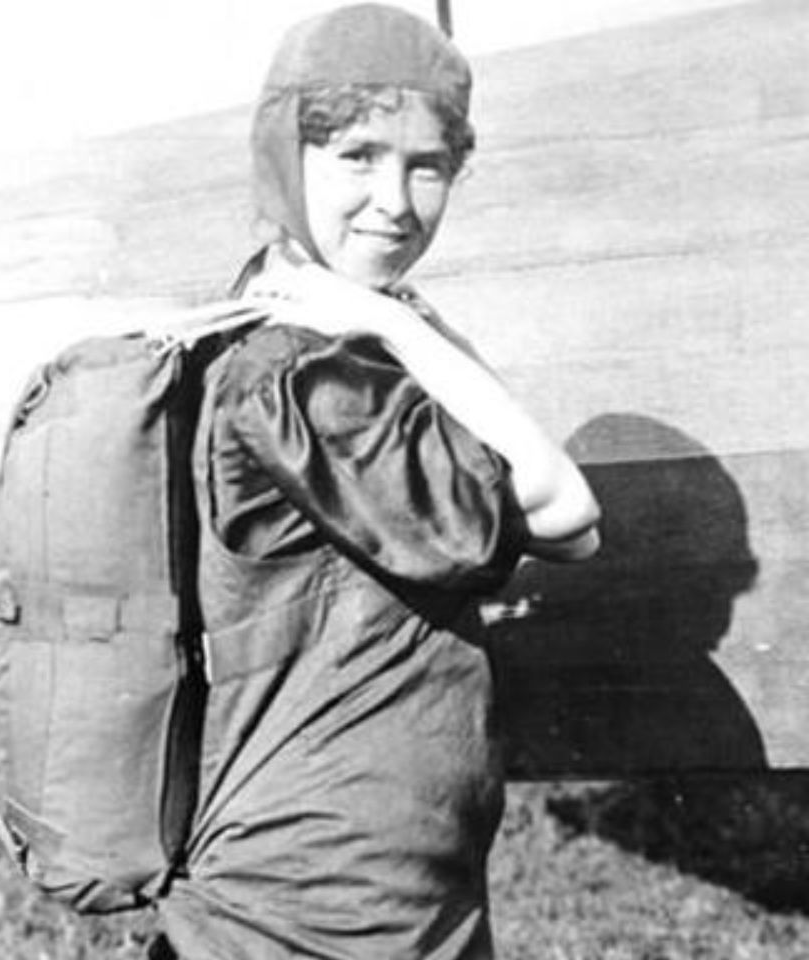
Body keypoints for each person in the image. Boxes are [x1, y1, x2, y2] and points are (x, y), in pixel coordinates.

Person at [155, 5, 601, 958]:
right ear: (288, 155)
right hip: (323, 896)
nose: (395, 201)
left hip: (380, 875)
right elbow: (568, 513)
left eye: (427, 165)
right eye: (357, 155)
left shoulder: (344, 333)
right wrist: (398, 328)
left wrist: (395, 321)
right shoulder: (303, 374)